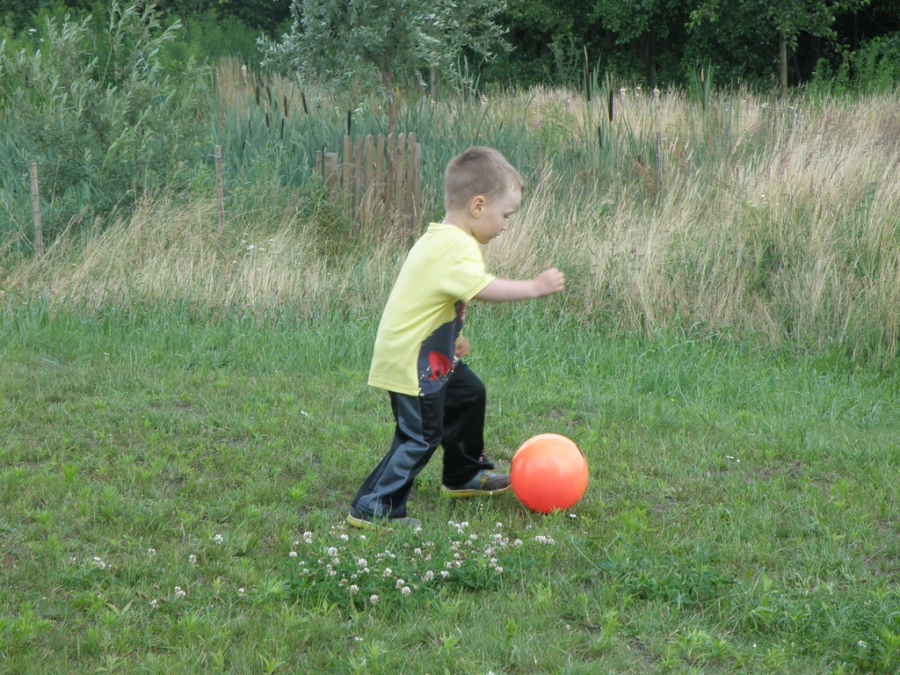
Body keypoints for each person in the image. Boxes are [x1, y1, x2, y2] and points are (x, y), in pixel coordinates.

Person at [347, 146, 566, 528]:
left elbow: (432, 297)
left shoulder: (443, 238)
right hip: (411, 364)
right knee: (419, 437)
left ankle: (463, 473)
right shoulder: (455, 245)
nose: (506, 225)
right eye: (506, 215)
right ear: (478, 206)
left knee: (469, 393)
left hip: (430, 354)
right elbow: (481, 288)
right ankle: (374, 506)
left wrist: (452, 338)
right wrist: (533, 287)